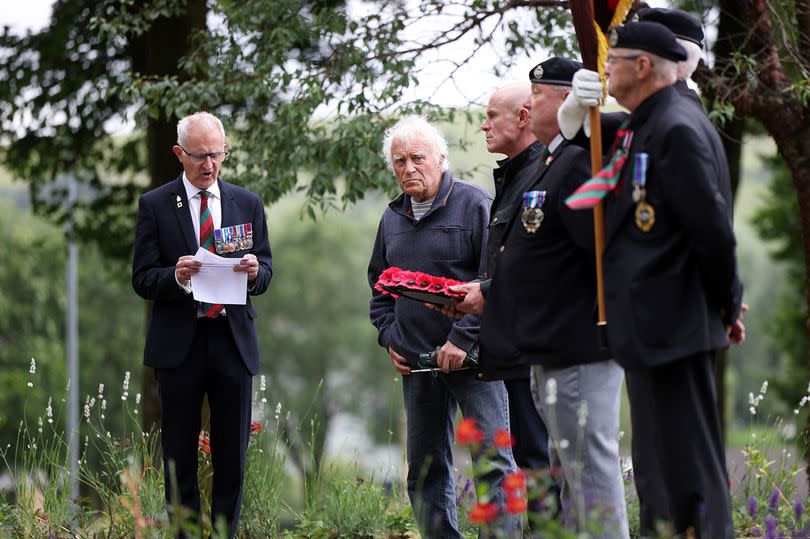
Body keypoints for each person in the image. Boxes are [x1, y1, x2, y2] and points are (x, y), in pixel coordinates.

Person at [567, 22, 744, 538]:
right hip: (653, 328)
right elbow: (592, 141)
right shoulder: (650, 123)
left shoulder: (676, 129)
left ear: (642, 66)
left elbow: (712, 233)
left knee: (688, 467)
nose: (606, 67)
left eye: (614, 59)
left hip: (675, 326)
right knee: (660, 469)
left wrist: (727, 306)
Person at [447, 59, 629, 538]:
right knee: (567, 474)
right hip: (549, 345)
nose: (530, 104)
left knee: (590, 475)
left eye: (539, 94)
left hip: (579, 342)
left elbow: (591, 256)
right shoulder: (555, 161)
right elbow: (533, 256)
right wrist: (490, 292)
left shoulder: (580, 158)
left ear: (570, 98)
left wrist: (490, 293)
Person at [367, 115, 519, 538]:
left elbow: (494, 282)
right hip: (417, 363)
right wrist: (390, 339)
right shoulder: (391, 217)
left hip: (474, 360)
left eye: (418, 158)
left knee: (493, 462)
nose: (408, 168)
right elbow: (379, 287)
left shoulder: (473, 205)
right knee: (426, 470)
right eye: (399, 161)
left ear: (441, 158)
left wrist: (461, 339)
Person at [132, 111, 272, 538]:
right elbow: (142, 278)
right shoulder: (155, 205)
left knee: (233, 458)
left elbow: (266, 270)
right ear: (179, 154)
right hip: (181, 345)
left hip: (231, 341)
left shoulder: (247, 203)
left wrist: (254, 273)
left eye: (217, 155)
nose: (209, 164)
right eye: (199, 156)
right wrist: (175, 275)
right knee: (179, 458)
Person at [478, 83, 553, 484]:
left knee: (540, 461)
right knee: (529, 459)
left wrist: (484, 294)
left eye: (492, 116)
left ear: (523, 118)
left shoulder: (538, 174)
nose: (483, 126)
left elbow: (534, 264)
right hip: (512, 343)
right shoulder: (513, 176)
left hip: (532, 345)